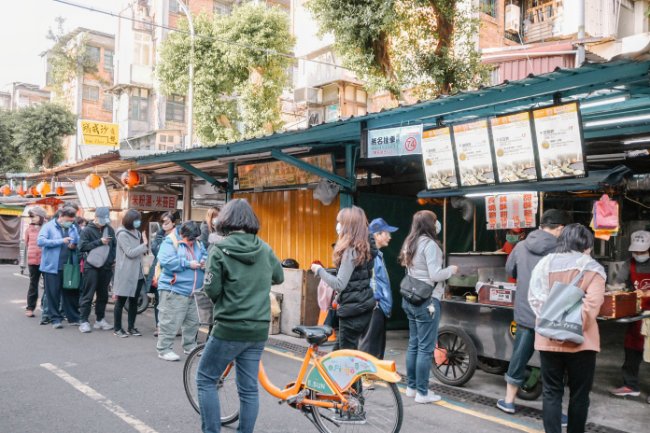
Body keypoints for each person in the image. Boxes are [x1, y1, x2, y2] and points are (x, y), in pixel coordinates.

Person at [196, 199, 284, 433]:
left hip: (229, 327)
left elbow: (212, 289)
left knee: (206, 379)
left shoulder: (219, 250)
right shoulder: (264, 248)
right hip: (258, 329)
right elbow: (279, 276)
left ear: (225, 221)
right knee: (248, 389)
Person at [528, 223, 606, 433]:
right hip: (582, 343)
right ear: (586, 244)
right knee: (580, 395)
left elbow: (535, 299)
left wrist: (553, 322)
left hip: (548, 339)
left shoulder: (545, 264)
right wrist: (572, 325)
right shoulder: (592, 268)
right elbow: (593, 306)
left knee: (551, 392)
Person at [497, 209, 570, 414]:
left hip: (526, 311)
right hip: (553, 314)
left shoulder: (520, 246)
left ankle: (509, 401)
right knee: (554, 363)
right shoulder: (563, 249)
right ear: (561, 228)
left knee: (519, 356)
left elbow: (510, 270)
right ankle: (557, 413)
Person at [399, 210, 457, 404]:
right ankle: (423, 393)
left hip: (410, 299)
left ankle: (412, 387)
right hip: (427, 301)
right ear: (430, 224)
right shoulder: (430, 245)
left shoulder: (410, 242)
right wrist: (451, 270)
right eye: (434, 221)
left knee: (414, 344)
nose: (437, 223)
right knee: (425, 348)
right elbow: (435, 275)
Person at [311, 206, 376, 351]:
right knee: (340, 352)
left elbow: (339, 284)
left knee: (345, 357)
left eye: (340, 222)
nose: (338, 225)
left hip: (352, 311)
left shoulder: (351, 250)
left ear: (349, 225)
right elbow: (355, 281)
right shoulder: (363, 247)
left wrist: (319, 270)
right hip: (361, 308)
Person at [156, 221, 207, 361]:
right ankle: (164, 349)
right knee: (170, 320)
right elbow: (166, 260)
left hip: (194, 291)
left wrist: (203, 261)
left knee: (192, 322)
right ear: (182, 234)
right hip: (174, 288)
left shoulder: (197, 243)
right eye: (190, 238)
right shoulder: (170, 242)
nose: (192, 241)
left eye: (194, 238)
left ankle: (190, 346)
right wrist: (188, 263)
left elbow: (205, 254)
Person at [610, 230, 650, 402]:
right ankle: (630, 385)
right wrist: (616, 289)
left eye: (642, 251)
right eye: (636, 251)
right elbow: (618, 284)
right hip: (637, 314)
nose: (639, 254)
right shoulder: (628, 264)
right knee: (632, 349)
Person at [358, 217, 398, 359]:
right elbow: (371, 280)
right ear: (377, 235)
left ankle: (368, 376)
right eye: (387, 233)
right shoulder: (371, 254)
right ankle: (361, 378)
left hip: (378, 306)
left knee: (375, 346)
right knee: (369, 347)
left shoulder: (377, 254)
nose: (390, 237)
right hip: (374, 307)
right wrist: (374, 301)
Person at [37, 206, 80, 329]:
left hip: (68, 266)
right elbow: (40, 241)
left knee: (70, 292)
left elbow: (78, 241)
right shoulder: (48, 226)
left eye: (72, 221)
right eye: (68, 220)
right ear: (60, 217)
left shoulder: (72, 227)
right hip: (51, 267)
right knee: (53, 294)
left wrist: (74, 244)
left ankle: (73, 318)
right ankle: (55, 319)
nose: (70, 223)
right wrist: (61, 241)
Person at [77, 207, 116, 333]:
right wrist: (99, 242)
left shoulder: (109, 229)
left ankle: (100, 320)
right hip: (91, 266)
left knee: (103, 295)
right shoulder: (87, 230)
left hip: (106, 267)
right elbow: (82, 247)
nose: (104, 222)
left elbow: (114, 246)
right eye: (102, 219)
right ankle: (84, 321)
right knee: (88, 294)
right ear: (96, 217)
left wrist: (111, 260)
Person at [112, 209, 148, 338]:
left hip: (137, 272)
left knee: (134, 301)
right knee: (121, 301)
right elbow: (130, 252)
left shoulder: (137, 232)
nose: (138, 222)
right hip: (126, 272)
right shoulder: (122, 234)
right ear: (130, 220)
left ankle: (131, 327)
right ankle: (117, 328)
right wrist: (144, 245)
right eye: (136, 220)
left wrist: (143, 247)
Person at [147, 211, 179, 337]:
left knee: (173, 301)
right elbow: (156, 251)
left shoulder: (178, 235)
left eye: (167, 222)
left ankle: (172, 327)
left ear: (173, 223)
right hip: (160, 272)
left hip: (175, 272)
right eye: (163, 222)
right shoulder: (159, 235)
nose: (164, 225)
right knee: (160, 300)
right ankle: (159, 326)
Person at [24, 206, 48, 319]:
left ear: (41, 216)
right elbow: (27, 243)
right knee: (33, 284)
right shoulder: (29, 229)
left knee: (48, 285)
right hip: (32, 260)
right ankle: (30, 308)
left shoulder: (48, 227)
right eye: (31, 217)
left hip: (46, 260)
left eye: (34, 216)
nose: (32, 219)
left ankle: (45, 306)